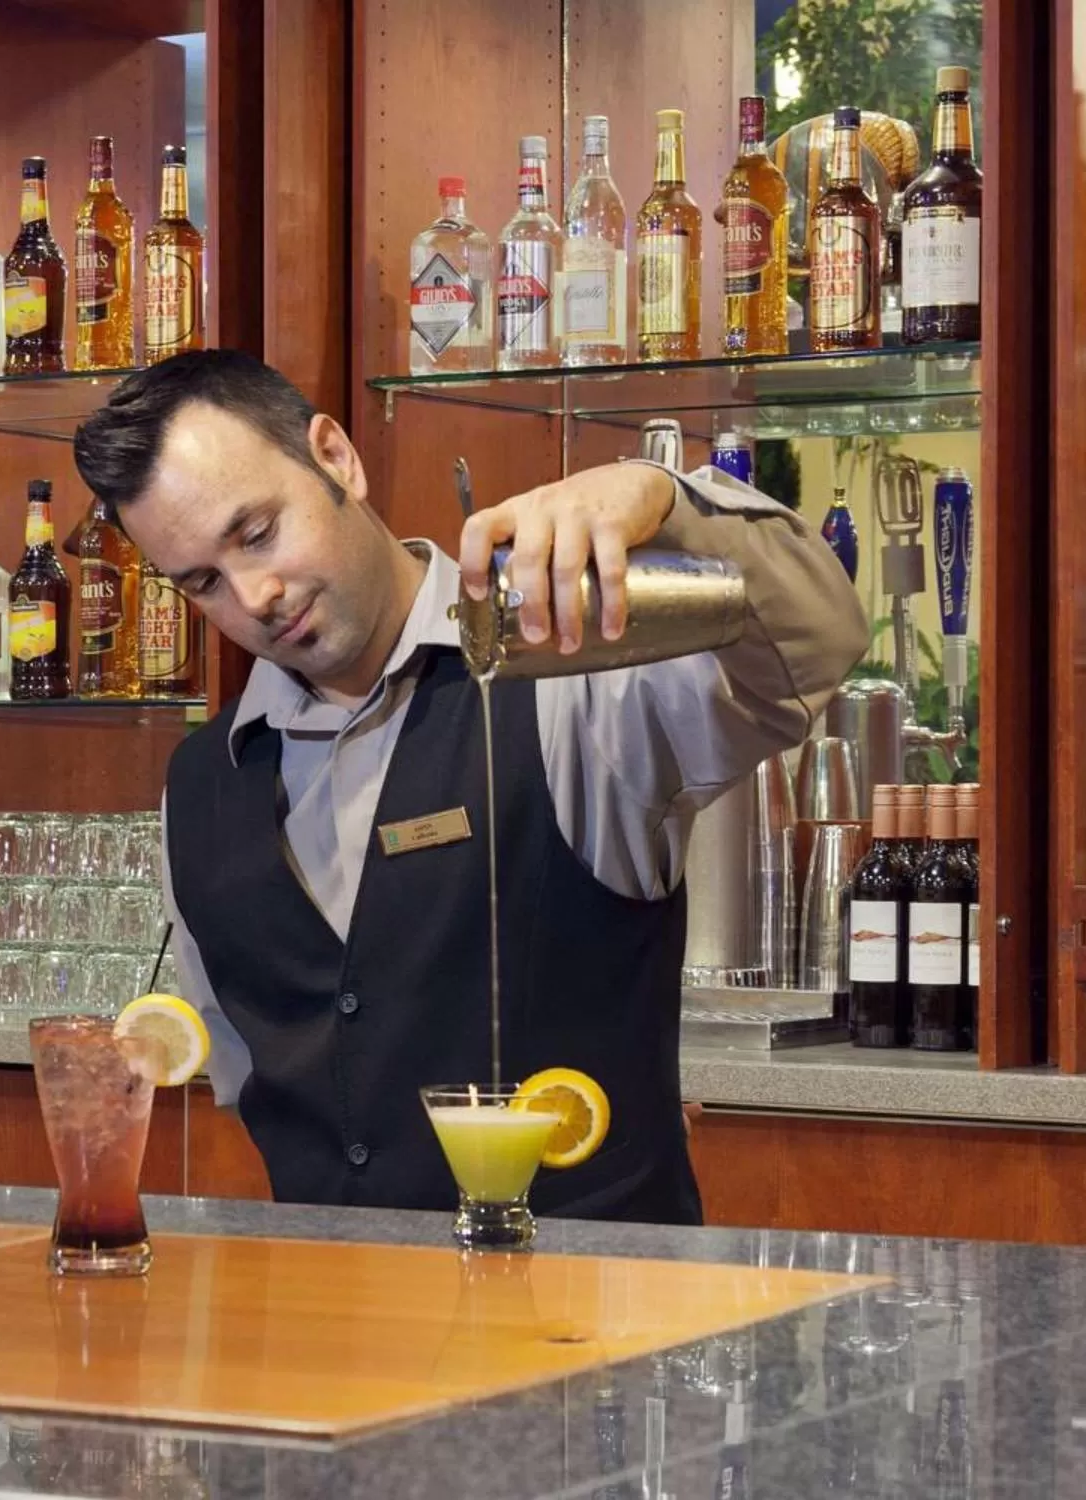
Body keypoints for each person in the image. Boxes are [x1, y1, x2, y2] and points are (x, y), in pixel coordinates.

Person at [72, 351, 866, 1225]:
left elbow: (819, 637)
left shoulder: (569, 680)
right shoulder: (200, 788)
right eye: (202, 583)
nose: (254, 595)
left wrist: (666, 498)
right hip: (328, 1329)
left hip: (592, 1326)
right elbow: (247, 1078)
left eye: (257, 533)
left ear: (335, 457)